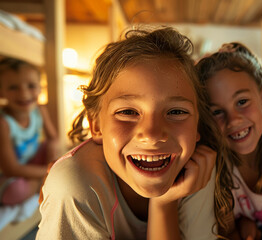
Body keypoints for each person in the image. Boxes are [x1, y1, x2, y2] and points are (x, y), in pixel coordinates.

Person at [37, 26, 233, 240]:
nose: (152, 134)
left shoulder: (196, 165)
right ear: (96, 126)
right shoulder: (74, 185)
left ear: (197, 125)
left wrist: (163, 203)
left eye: (176, 112)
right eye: (128, 112)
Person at [196, 42, 262, 240]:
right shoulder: (214, 163)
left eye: (242, 102)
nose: (234, 119)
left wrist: (249, 227)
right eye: (217, 112)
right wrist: (244, 226)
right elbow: (227, 233)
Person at [0, 57, 58, 206]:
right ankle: (43, 183)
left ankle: (44, 180)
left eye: (31, 86)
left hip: (31, 161)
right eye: (13, 87)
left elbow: (53, 138)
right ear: (1, 92)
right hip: (9, 173)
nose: (24, 94)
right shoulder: (4, 123)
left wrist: (51, 162)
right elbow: (11, 169)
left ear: (40, 88)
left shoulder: (40, 110)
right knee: (14, 191)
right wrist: (48, 172)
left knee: (52, 146)